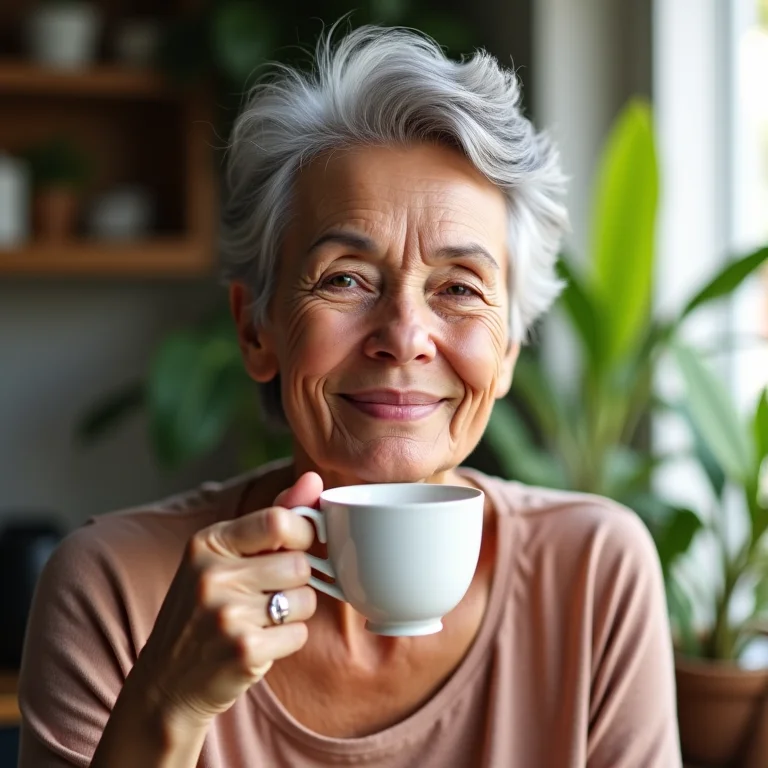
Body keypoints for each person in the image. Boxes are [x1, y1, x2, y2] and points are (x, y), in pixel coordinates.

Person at [17, 25, 682, 768]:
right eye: (345, 279)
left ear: (504, 357)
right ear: (256, 328)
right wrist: (169, 706)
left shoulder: (593, 572)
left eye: (459, 290)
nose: (404, 335)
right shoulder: (114, 588)